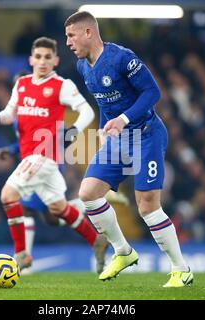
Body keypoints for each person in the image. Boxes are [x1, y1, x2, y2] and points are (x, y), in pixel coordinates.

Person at [64, 11, 193, 287]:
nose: (67, 42)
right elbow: (104, 102)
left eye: (71, 35)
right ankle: (123, 251)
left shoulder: (122, 58)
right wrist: (104, 128)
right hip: (117, 140)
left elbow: (153, 93)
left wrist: (123, 119)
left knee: (147, 206)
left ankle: (181, 269)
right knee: (88, 194)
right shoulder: (83, 67)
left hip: (147, 136)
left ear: (88, 32)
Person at [0, 37, 108, 273]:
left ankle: (22, 254)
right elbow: (10, 114)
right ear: (31, 59)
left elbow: (85, 111)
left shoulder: (62, 86)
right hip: (31, 159)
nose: (43, 62)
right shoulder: (21, 84)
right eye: (39, 57)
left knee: (7, 196)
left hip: (44, 155)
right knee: (58, 210)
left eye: (47, 57)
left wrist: (73, 131)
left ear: (55, 60)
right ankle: (96, 240)